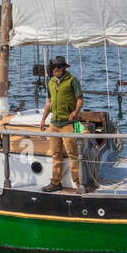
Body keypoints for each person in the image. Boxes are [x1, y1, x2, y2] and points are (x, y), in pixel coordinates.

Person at [38, 55, 94, 193]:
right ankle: (55, 182)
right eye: (53, 67)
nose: (54, 70)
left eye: (57, 67)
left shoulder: (72, 81)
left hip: (69, 124)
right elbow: (48, 102)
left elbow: (80, 99)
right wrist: (43, 119)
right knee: (55, 154)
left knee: (73, 154)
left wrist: (75, 112)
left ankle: (80, 184)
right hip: (54, 124)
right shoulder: (50, 82)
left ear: (63, 68)